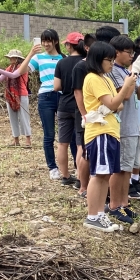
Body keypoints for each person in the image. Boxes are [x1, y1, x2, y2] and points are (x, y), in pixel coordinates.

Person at [81, 41, 138, 232]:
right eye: (109, 60)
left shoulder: (104, 78)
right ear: (98, 59)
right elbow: (114, 104)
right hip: (100, 132)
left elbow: (118, 104)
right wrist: (126, 86)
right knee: (99, 174)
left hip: (111, 131)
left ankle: (99, 214)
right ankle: (92, 215)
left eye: (113, 60)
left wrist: (113, 102)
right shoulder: (93, 78)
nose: (112, 63)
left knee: (105, 175)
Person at [3, 29, 64, 179]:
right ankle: (52, 168)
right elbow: (21, 71)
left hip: (63, 96)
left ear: (55, 41)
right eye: (43, 41)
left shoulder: (64, 58)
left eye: (48, 41)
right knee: (49, 134)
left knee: (65, 135)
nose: (45, 44)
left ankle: (68, 169)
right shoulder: (38, 57)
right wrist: (30, 53)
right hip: (45, 96)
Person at [108, 35, 140, 222]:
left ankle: (124, 203)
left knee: (128, 168)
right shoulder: (115, 72)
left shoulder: (127, 72)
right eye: (129, 52)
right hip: (123, 127)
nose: (131, 56)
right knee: (120, 169)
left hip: (134, 126)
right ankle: (114, 205)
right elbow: (123, 96)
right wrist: (134, 73)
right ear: (117, 53)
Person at [54, 32, 86, 187]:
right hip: (80, 107)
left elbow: (56, 86)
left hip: (64, 105)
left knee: (62, 143)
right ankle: (80, 177)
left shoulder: (62, 63)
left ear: (68, 45)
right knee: (81, 144)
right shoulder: (86, 63)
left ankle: (65, 176)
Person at [0, 50, 32, 147]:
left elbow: (13, 75)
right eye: (10, 57)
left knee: (24, 117)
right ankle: (16, 140)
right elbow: (1, 78)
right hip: (10, 95)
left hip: (21, 94)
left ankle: (28, 140)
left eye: (13, 57)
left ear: (18, 59)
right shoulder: (9, 68)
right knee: (12, 117)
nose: (11, 59)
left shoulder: (23, 67)